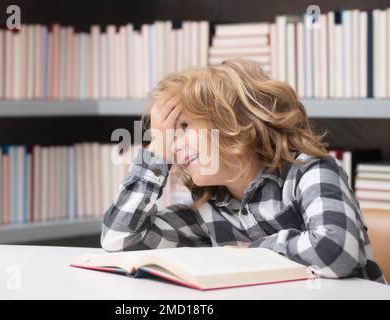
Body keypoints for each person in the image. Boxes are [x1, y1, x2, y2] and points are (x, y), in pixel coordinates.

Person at [100, 58, 386, 283]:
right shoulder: (207, 210)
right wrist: (155, 154)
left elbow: (336, 250)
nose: (174, 147)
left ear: (234, 122)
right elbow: (120, 239)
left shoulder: (311, 172)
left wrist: (250, 253)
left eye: (184, 127)